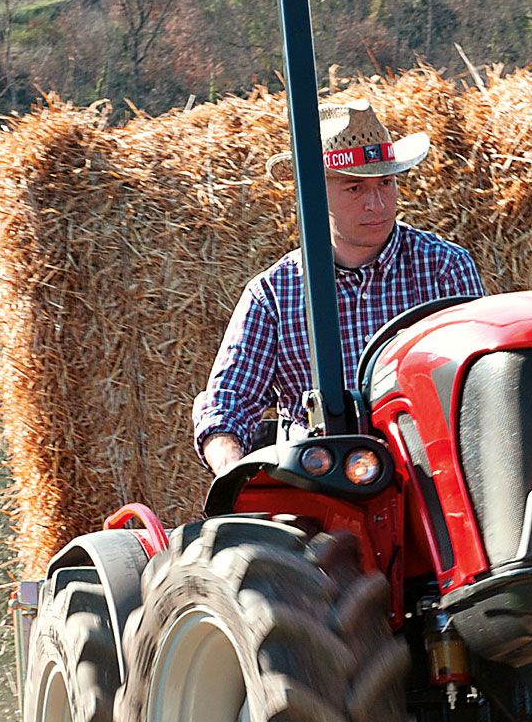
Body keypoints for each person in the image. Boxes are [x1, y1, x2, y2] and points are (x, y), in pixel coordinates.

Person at [192, 100, 483, 475]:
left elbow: (479, 384)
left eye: (385, 183)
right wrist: (231, 469)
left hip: (433, 473)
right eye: (355, 188)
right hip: (323, 483)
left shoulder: (444, 268)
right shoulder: (274, 295)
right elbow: (226, 406)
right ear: (314, 192)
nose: (377, 203)